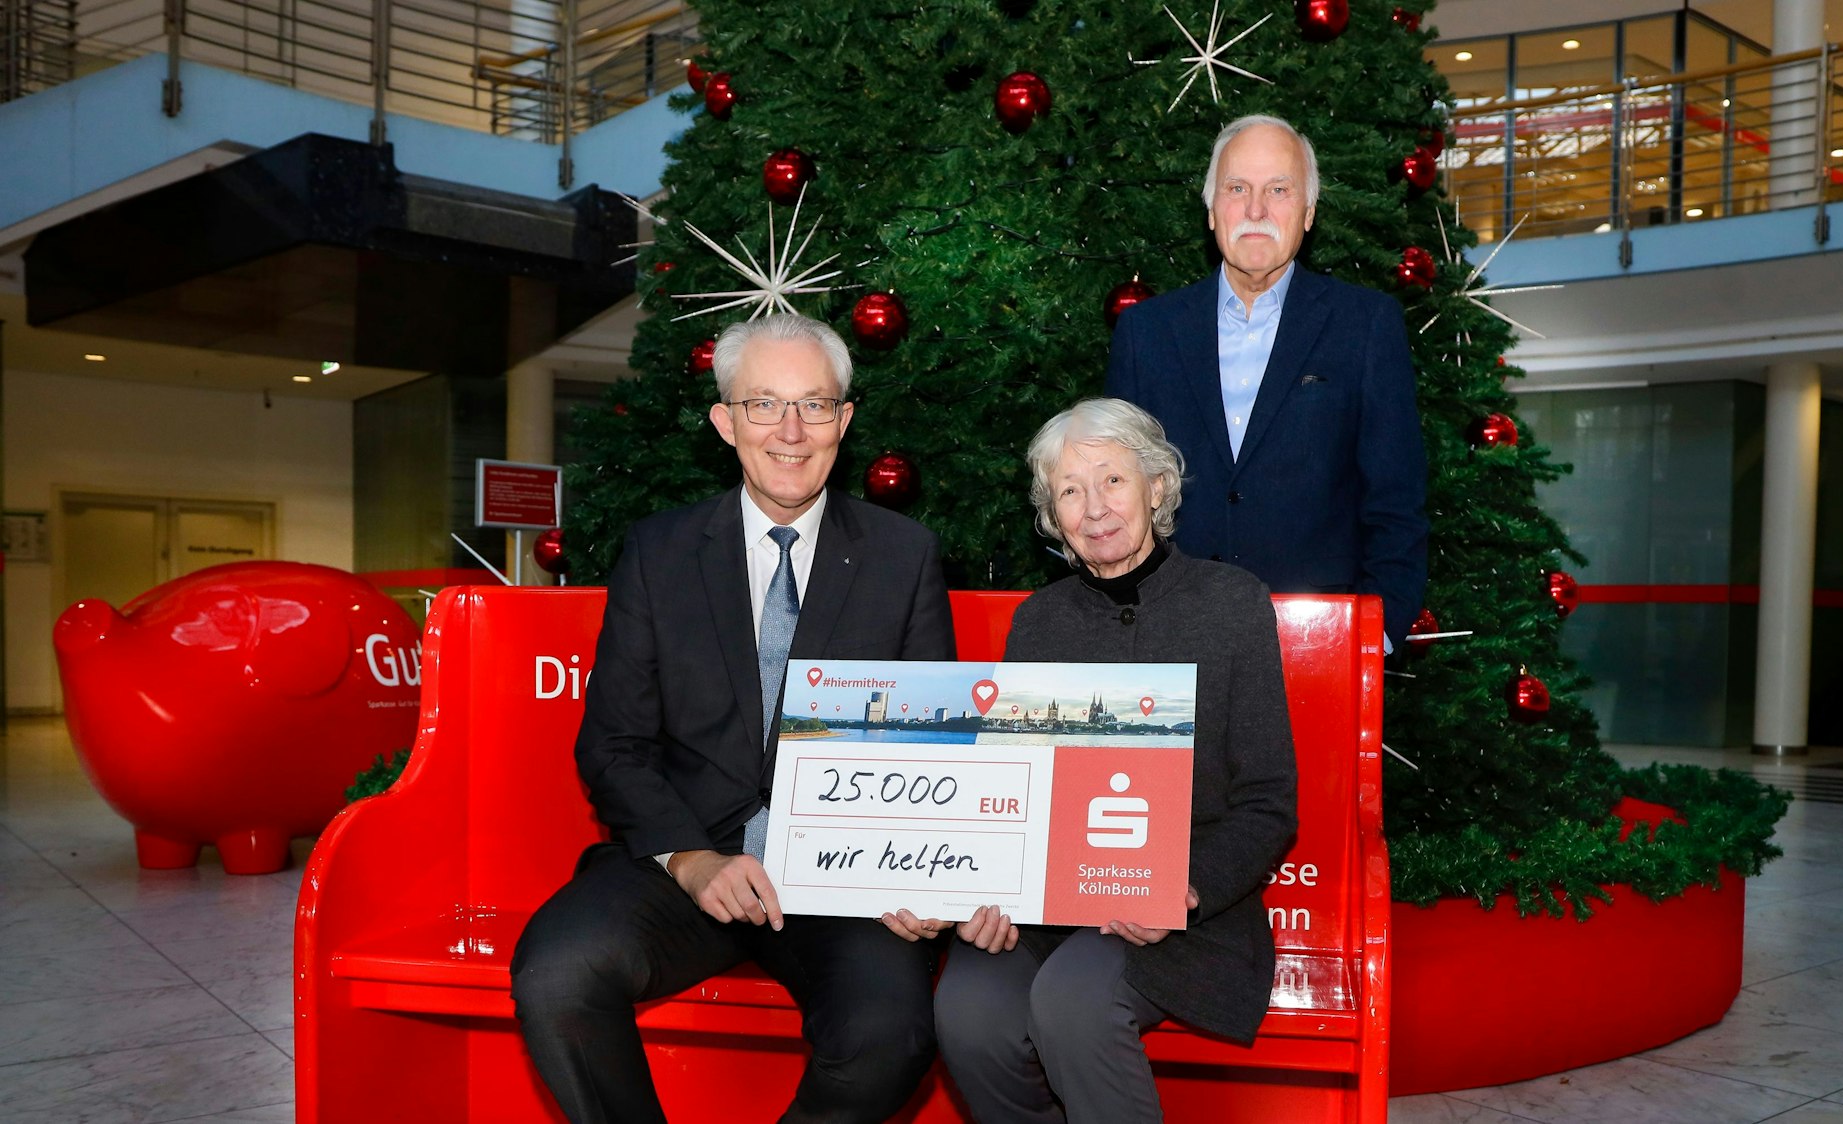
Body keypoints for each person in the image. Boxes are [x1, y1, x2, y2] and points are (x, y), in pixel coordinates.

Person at [510, 313, 956, 1124]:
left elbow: (928, 748)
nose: (791, 430)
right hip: (683, 862)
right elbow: (613, 744)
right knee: (558, 973)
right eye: (764, 405)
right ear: (725, 422)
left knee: (890, 1031)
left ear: (845, 421)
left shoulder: (904, 555)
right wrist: (691, 860)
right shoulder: (659, 552)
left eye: (815, 405)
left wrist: (914, 874)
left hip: (841, 880)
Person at [934, 398, 1298, 1124]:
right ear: (1052, 514)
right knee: (967, 1008)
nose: (1093, 507)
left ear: (1157, 487)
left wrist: (1184, 890)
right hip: (1047, 906)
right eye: (1069, 489)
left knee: (1073, 1001)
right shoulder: (1038, 621)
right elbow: (1013, 788)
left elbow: (1268, 801)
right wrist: (986, 888)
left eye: (1112, 481)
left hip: (1186, 907)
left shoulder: (1231, 604)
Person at [1105, 113, 1428, 645]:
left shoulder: (1365, 325)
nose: (1256, 210)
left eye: (1278, 189)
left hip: (1318, 640)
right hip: (1169, 638)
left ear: (1308, 212)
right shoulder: (1147, 331)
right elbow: (1116, 492)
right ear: (1211, 210)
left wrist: (1377, 634)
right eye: (1237, 189)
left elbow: (1396, 500)